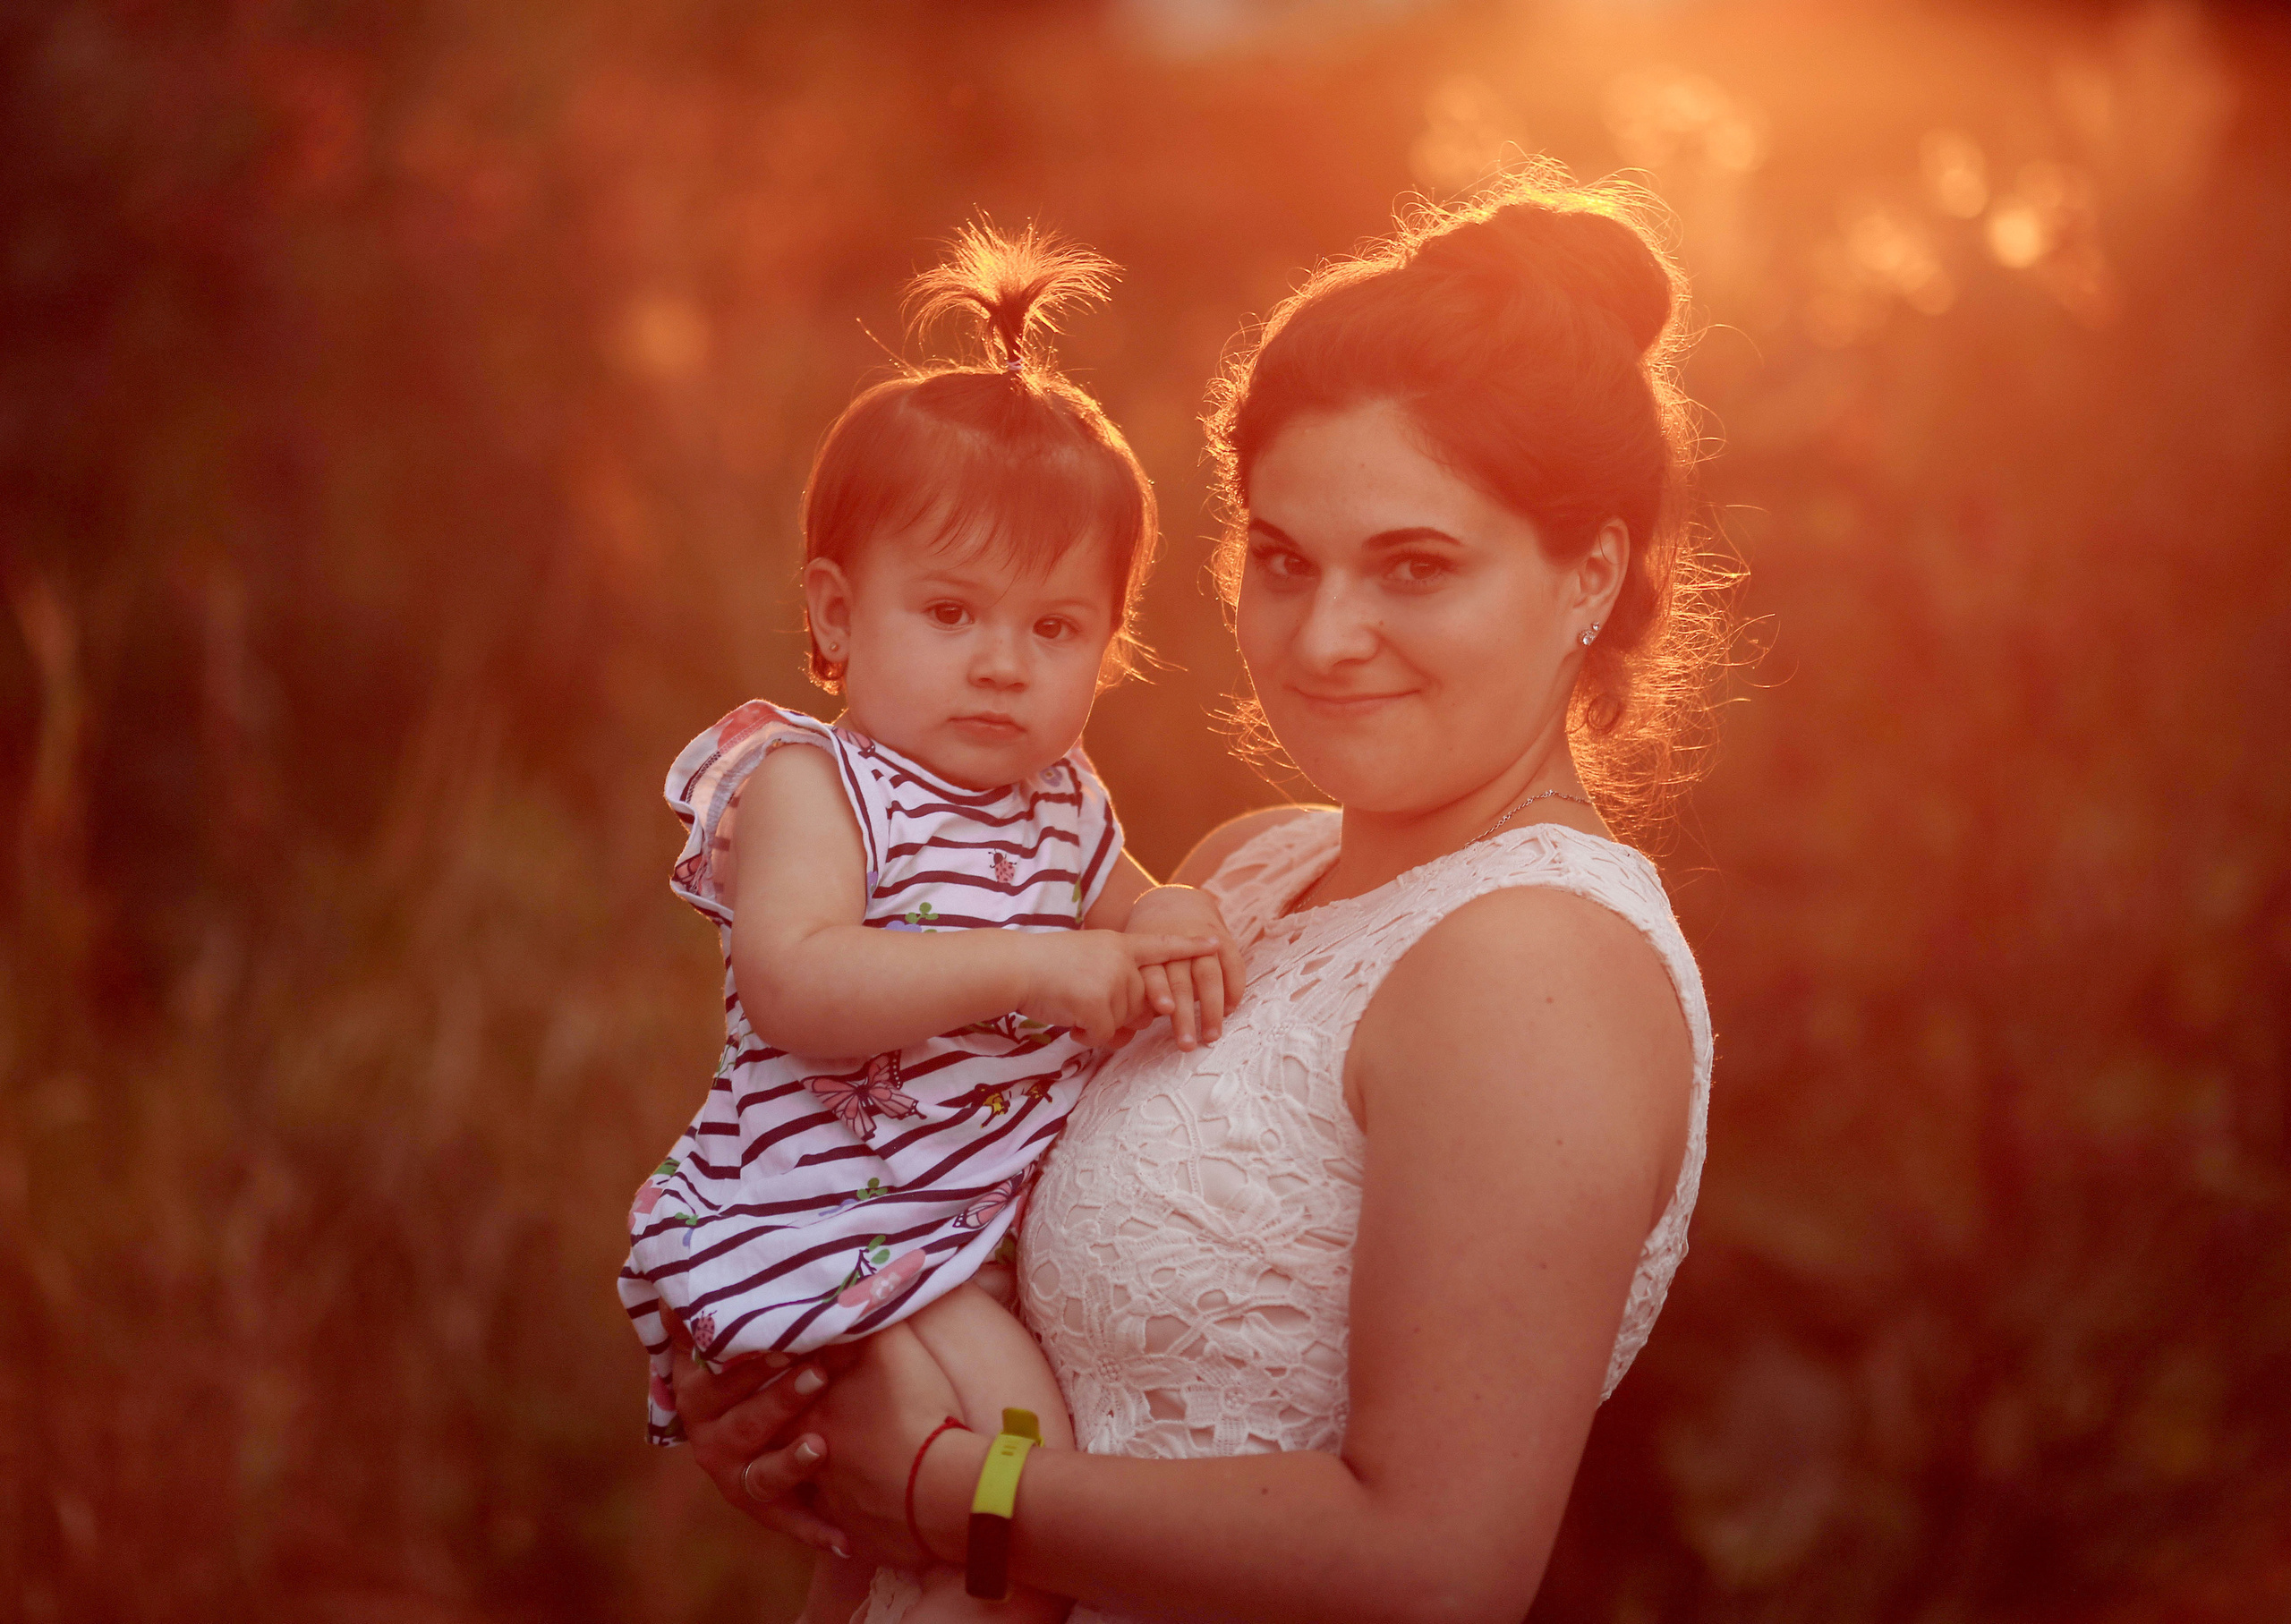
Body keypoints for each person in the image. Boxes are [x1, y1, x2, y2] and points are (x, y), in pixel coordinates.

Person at [676, 169, 1730, 1624]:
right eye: (1284, 562)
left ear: (1589, 578)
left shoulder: (1538, 965)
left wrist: (932, 1493)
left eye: (1415, 568)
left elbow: (1435, 1565)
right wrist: (794, 1403)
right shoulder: (1245, 867)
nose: (1328, 635)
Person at [617, 224, 1244, 1624]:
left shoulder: (1062, 804)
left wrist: (1181, 910)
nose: (1002, 665)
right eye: (952, 611)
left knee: (898, 1538)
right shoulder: (809, 783)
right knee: (1018, 1456)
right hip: (830, 1216)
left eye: (1056, 628)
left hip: (952, 1230)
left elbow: (1131, 909)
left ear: (1112, 639)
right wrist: (1034, 964)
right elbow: (797, 982)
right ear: (838, 617)